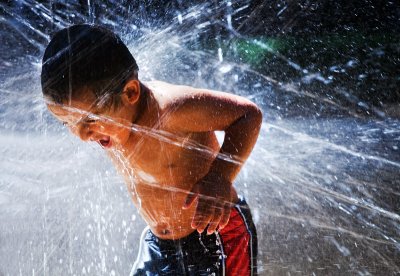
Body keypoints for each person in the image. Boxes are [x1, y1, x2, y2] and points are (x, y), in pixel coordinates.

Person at [41, 24, 262, 276]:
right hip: (160, 245)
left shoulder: (170, 111)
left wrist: (220, 177)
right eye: (68, 123)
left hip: (214, 235)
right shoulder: (111, 124)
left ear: (131, 92)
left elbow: (247, 115)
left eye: (89, 120)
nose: (82, 135)